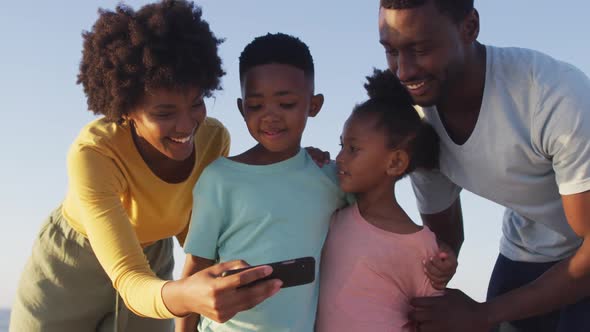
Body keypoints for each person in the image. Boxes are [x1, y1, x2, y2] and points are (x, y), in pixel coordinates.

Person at [9, 2, 280, 331]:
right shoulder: (94, 154)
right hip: (70, 268)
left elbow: (194, 230)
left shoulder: (213, 139)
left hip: (153, 260)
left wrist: (290, 156)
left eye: (196, 103)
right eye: (164, 113)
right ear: (125, 111)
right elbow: (127, 277)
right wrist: (186, 296)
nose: (186, 125)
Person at [377, 0, 590, 331]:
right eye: (391, 51)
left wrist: (482, 314)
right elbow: (446, 240)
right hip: (528, 247)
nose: (404, 70)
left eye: (420, 48)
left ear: (470, 27)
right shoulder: (417, 121)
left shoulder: (556, 97)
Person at [175, 32, 351, 332]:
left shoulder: (332, 178)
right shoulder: (220, 178)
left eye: (286, 104)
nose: (270, 117)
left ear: (314, 104)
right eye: (257, 106)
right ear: (243, 109)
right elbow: (196, 269)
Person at [316, 69, 444, 332]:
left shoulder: (422, 248)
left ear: (395, 162)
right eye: (341, 145)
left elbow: (433, 318)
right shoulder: (333, 214)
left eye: (353, 149)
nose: (340, 157)